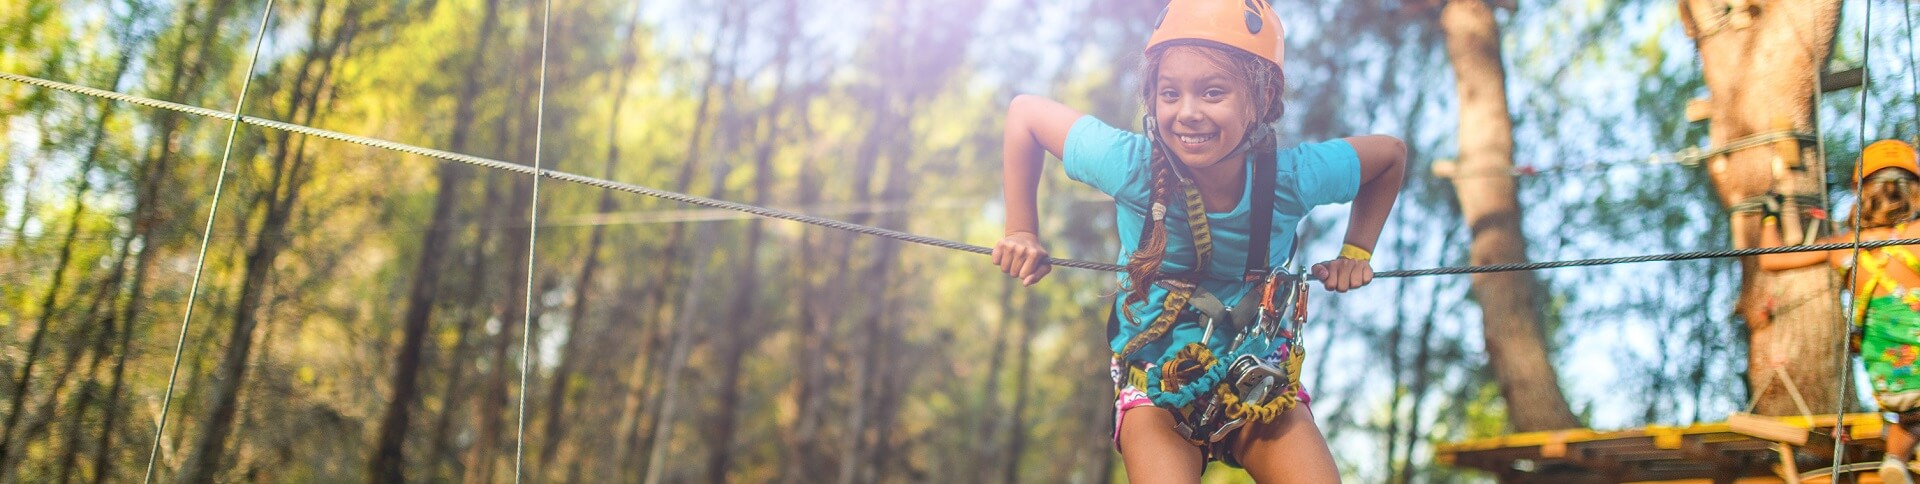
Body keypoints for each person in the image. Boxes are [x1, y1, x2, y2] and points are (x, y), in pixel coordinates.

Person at [990, 0, 1406, 480]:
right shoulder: (1131, 166)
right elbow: (1025, 114)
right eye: (1170, 93)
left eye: (1212, 92)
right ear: (1152, 97)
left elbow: (1390, 156)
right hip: (1156, 387)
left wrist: (1356, 252)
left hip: (1257, 381)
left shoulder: (1290, 179)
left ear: (1263, 97)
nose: (1188, 113)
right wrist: (1021, 230)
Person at [1757, 139, 1920, 484]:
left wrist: (1770, 215)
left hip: (1889, 379)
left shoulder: (1844, 246)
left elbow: (1770, 259)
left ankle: (1895, 460)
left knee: (1909, 417)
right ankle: (1896, 458)